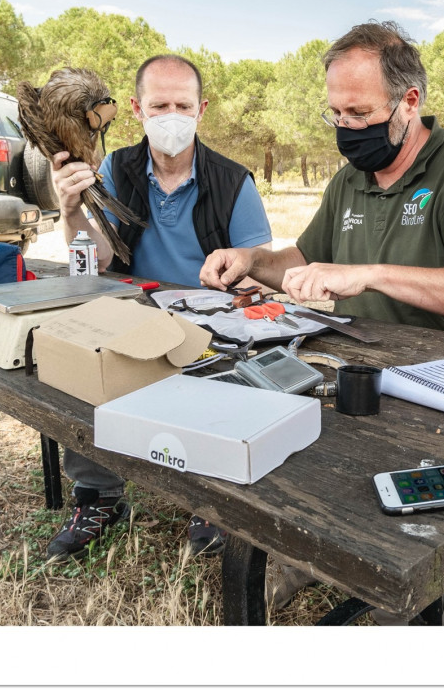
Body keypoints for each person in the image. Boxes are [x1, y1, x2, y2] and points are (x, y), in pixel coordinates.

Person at [201, 21, 444, 620]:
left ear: (410, 102)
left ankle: (417, 584)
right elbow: (301, 261)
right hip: (359, 367)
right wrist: (252, 260)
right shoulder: (350, 179)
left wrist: (372, 273)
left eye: (359, 113)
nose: (347, 130)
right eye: (336, 115)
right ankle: (306, 551)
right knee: (280, 419)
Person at [46, 53, 272, 561]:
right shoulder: (114, 168)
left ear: (202, 109)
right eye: (159, 104)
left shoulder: (235, 182)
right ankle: (99, 496)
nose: (172, 115)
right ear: (136, 108)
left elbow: (257, 272)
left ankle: (213, 499)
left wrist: (240, 271)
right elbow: (95, 261)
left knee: (235, 370)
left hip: (209, 322)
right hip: (133, 311)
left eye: (183, 104)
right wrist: (70, 209)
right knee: (81, 359)